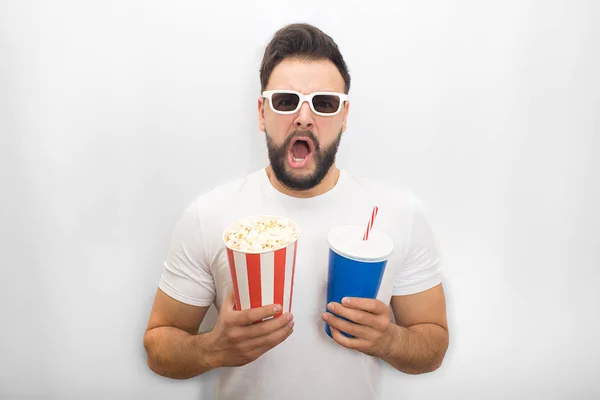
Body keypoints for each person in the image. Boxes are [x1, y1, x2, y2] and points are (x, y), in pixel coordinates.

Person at [143, 22, 449, 400]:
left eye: (324, 103)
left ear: (344, 116)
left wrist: (390, 341)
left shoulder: (400, 213)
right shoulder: (208, 215)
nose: (304, 118)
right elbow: (158, 347)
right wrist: (211, 350)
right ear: (261, 113)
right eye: (286, 101)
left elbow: (432, 345)